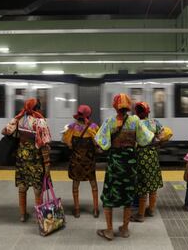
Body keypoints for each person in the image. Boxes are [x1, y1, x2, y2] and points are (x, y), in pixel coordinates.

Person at [95, 93, 154, 240]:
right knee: (128, 195)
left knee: (109, 196)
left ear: (115, 106)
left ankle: (109, 230)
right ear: (129, 106)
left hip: (115, 164)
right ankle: (125, 229)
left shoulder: (109, 122)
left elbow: (103, 144)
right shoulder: (135, 121)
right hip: (130, 164)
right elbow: (145, 139)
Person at [2, 98, 51, 222]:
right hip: (35, 158)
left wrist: (15, 120)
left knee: (22, 187)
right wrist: (47, 165)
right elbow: (44, 144)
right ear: (37, 108)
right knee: (37, 188)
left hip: (22, 158)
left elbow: (5, 131)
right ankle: (39, 216)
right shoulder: (40, 121)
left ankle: (23, 215)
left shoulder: (20, 119)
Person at [62, 105, 100, 218]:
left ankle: (77, 210)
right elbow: (97, 144)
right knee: (93, 183)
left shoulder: (71, 127)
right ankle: (96, 209)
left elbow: (68, 144)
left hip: (76, 161)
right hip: (89, 161)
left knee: (75, 184)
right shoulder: (94, 127)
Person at [130, 102, 164, 222]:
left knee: (142, 186)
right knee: (152, 184)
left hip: (140, 155)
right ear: (148, 112)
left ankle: (140, 214)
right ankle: (151, 209)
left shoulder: (134, 123)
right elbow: (161, 137)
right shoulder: (154, 122)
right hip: (153, 155)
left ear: (136, 112)